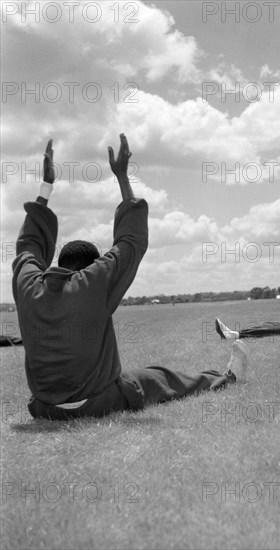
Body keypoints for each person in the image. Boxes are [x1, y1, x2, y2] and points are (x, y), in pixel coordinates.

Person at [12, 135, 248, 420]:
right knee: (159, 377)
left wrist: (45, 187)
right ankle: (227, 378)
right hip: (99, 401)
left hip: (45, 409)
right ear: (90, 267)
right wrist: (122, 176)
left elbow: (27, 245)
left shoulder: (27, 287)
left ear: (58, 264)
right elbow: (131, 240)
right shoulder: (92, 283)